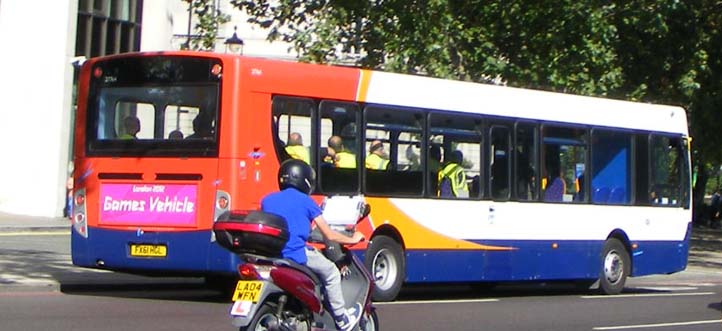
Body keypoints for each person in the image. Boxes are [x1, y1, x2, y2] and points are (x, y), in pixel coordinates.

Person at [261, 159, 364, 331]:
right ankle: (341, 318)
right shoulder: (306, 201)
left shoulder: (267, 200)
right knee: (331, 272)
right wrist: (353, 238)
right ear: (305, 179)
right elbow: (329, 234)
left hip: (272, 253)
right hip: (295, 254)